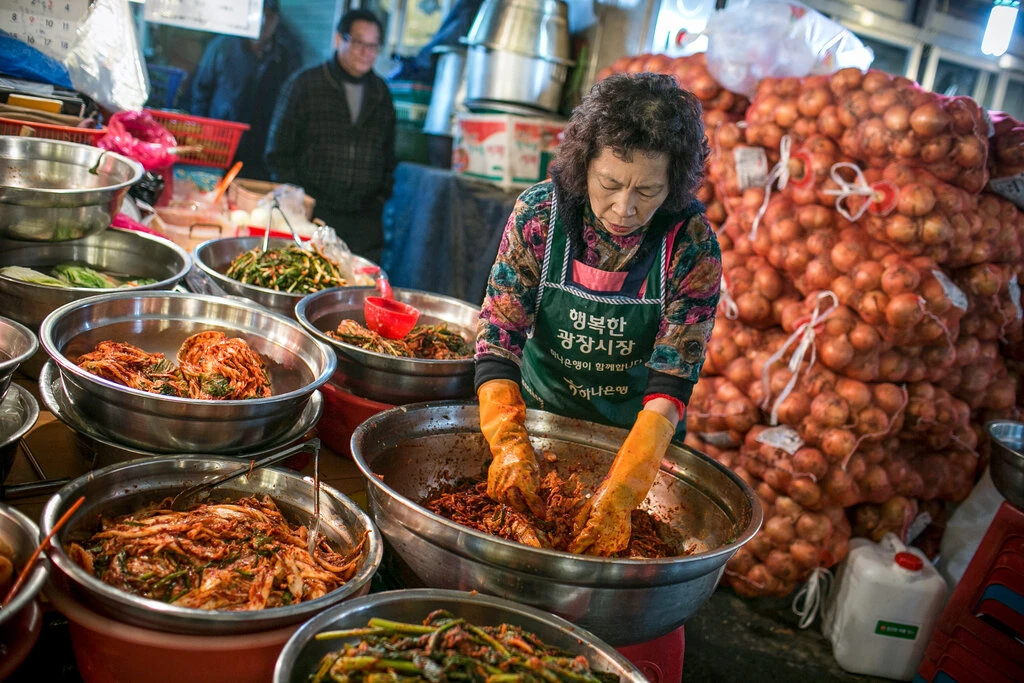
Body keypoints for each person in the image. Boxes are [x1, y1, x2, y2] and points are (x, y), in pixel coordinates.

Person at [475, 73, 721, 557]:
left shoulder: (691, 245)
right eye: (609, 183)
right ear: (583, 163)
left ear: (673, 186)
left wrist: (624, 492)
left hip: (640, 449)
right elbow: (498, 340)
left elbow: (672, 383)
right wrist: (507, 443)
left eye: (647, 191)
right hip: (540, 429)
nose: (624, 208)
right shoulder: (538, 218)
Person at [264, 9, 396, 263]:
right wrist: (299, 202)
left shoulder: (381, 94)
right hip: (313, 215)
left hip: (364, 223)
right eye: (359, 43)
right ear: (339, 39)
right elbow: (277, 151)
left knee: (360, 292)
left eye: (373, 45)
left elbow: (389, 155)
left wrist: (379, 197)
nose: (366, 52)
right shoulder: (305, 84)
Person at [190, 0, 300, 180]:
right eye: (259, 14)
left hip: (262, 150)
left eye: (270, 16)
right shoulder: (222, 47)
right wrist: (203, 136)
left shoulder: (286, 56)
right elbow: (200, 92)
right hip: (219, 146)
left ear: (277, 20)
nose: (264, 21)